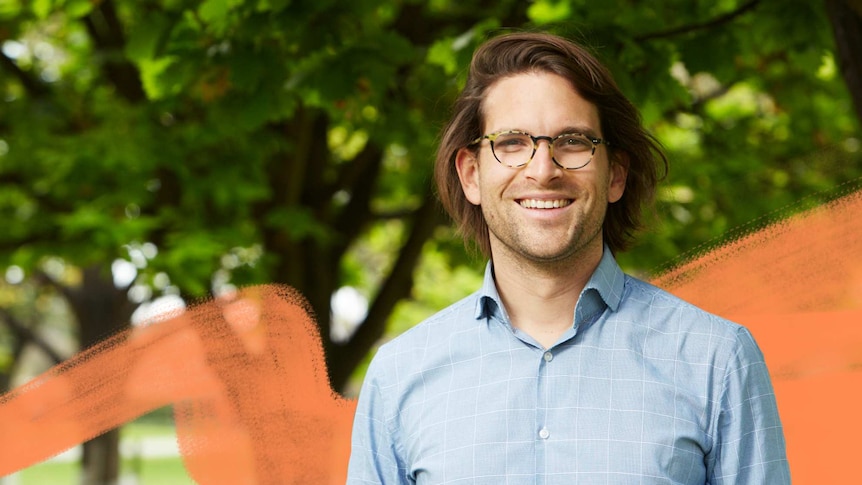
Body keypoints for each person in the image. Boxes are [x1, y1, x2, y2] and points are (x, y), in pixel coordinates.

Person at [347, 31, 790, 484]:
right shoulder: (400, 374)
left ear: (615, 174)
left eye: (573, 141)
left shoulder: (716, 359)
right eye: (512, 142)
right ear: (471, 174)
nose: (543, 169)